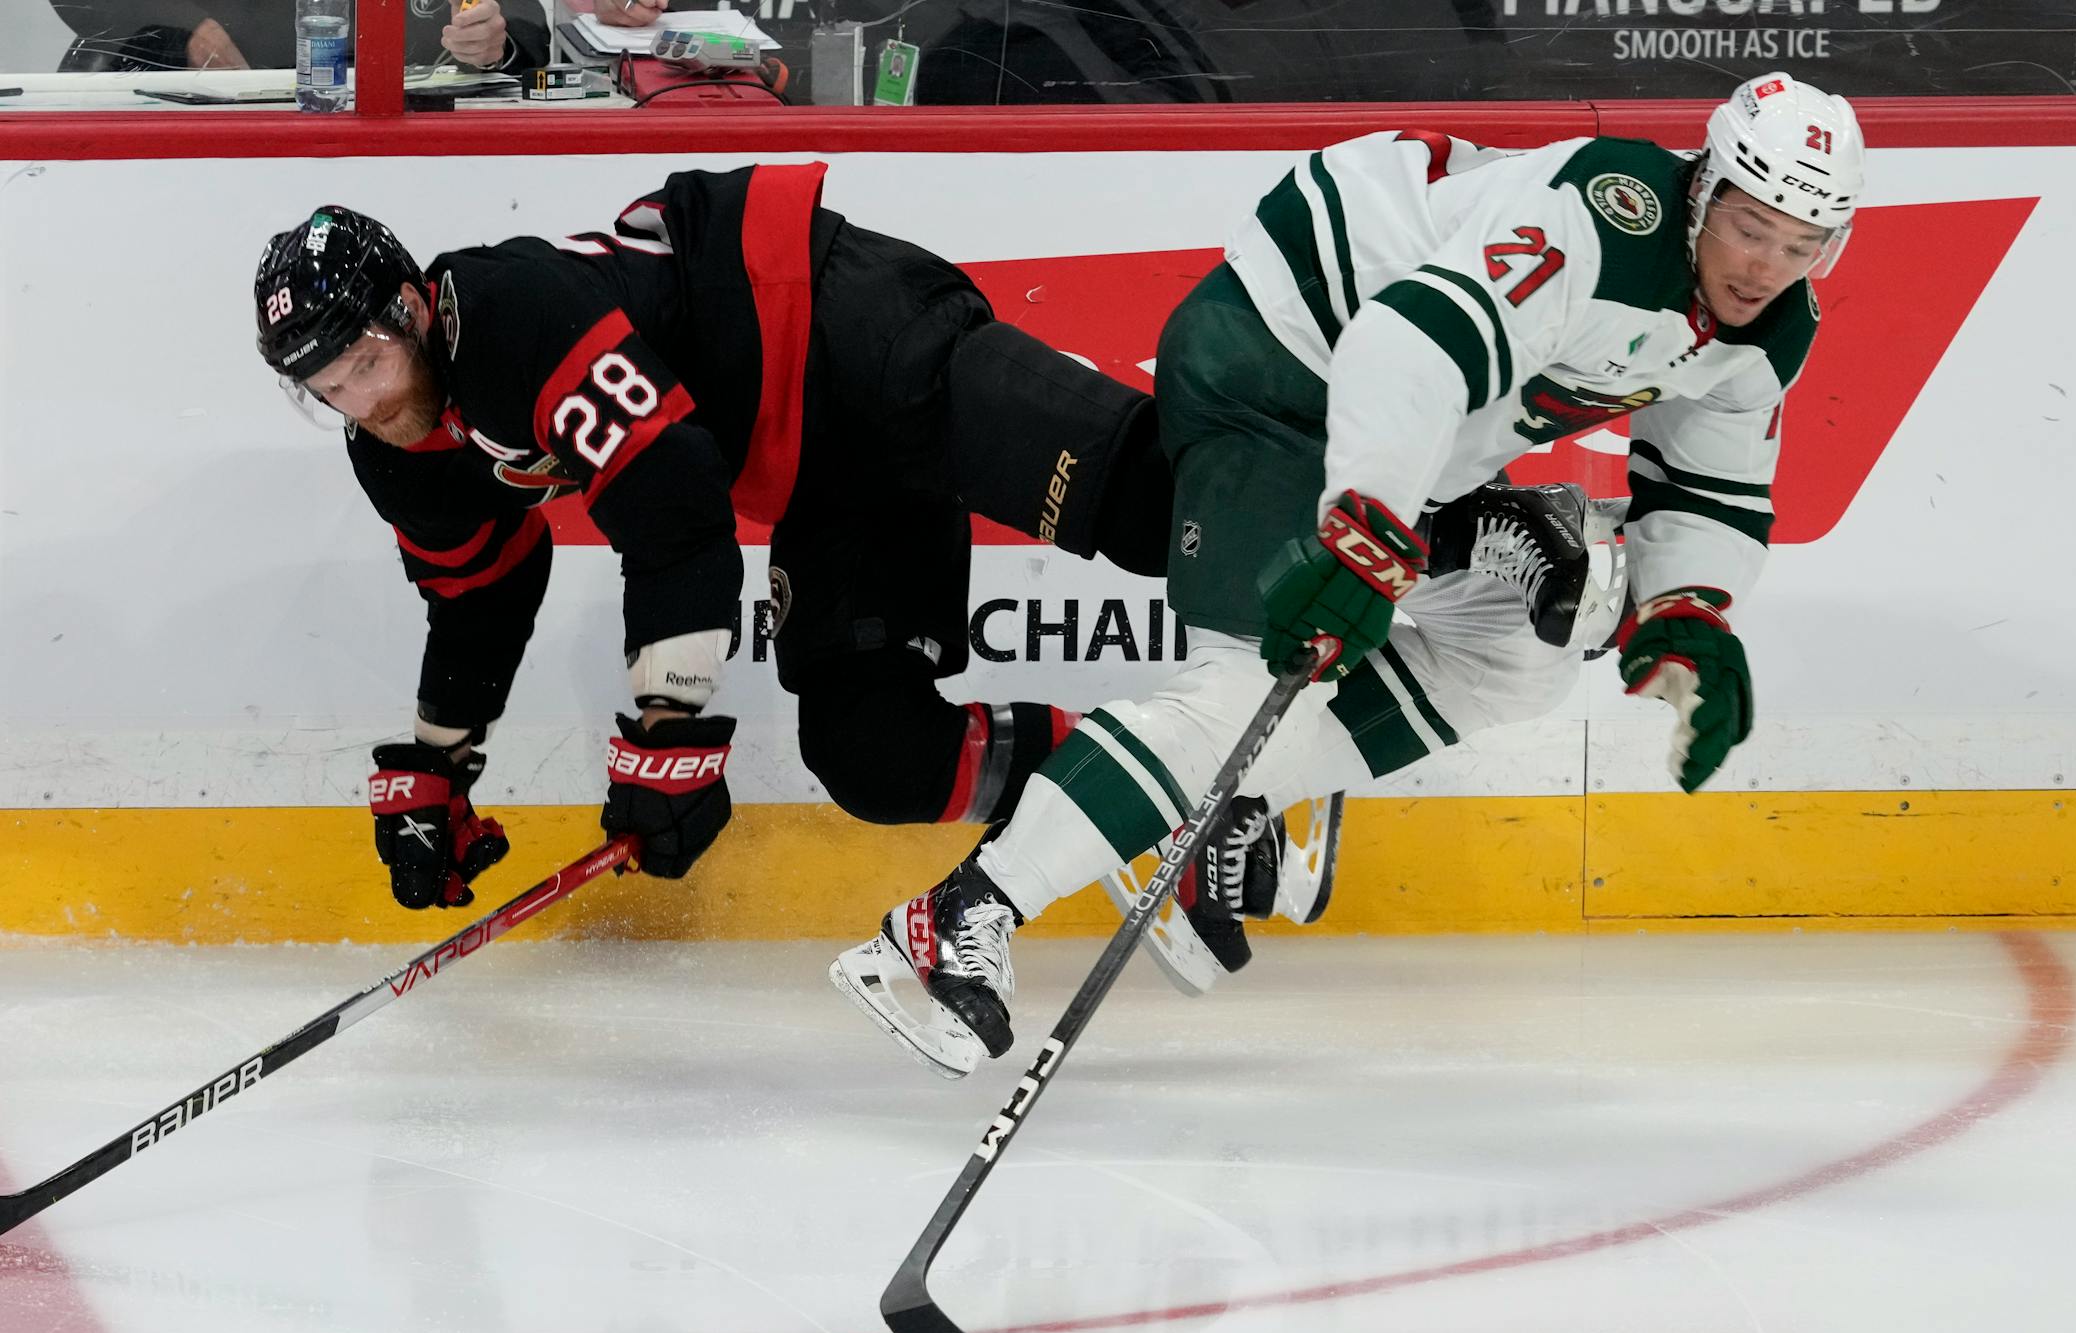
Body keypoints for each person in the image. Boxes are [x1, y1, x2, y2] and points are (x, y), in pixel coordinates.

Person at [829, 71, 1864, 1077]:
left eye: (1800, 242)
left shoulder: (1773, 332)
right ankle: (959, 914)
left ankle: (1224, 806)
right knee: (1246, 690)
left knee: (1519, 659)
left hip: (1409, 437)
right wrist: (1364, 525)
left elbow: (1711, 485)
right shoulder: (1606, 218)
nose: (1764, 264)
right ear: (1702, 191)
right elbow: (1407, 343)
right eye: (1749, 225)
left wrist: (1687, 609)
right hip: (1277, 359)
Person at [252, 163, 1172, 913]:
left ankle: (1301, 535)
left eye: (366, 364)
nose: (363, 404)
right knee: (877, 755)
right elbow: (477, 595)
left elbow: (671, 489)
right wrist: (437, 765)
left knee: (1143, 500)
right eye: (329, 388)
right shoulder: (397, 454)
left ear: (413, 310)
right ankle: (1170, 787)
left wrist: (668, 723)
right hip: (819, 478)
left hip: (839, 323)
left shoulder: (507, 311)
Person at [50, 0, 545, 73]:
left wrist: (496, 44)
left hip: (400, 149)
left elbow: (527, 24)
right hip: (212, 140)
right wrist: (184, 27)